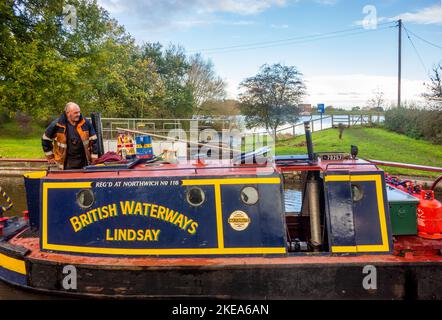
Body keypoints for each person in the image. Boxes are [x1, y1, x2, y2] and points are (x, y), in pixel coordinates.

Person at [42, 102, 98, 170]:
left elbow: (94, 140)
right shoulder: (58, 124)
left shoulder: (86, 123)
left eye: (79, 112)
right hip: (65, 164)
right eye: (75, 113)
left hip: (84, 163)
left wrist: (94, 158)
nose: (78, 114)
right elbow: (45, 139)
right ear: (68, 113)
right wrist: (50, 157)